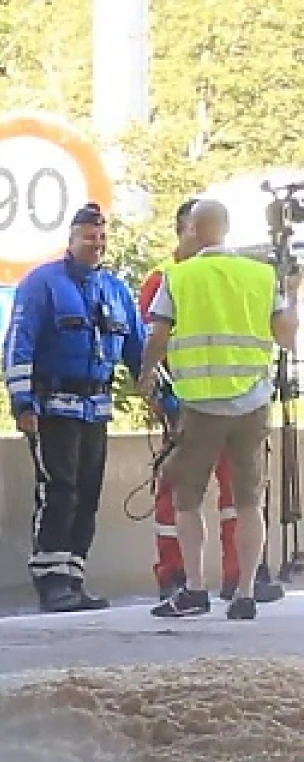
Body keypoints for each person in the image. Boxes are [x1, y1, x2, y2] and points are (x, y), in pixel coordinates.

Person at [141, 199, 300, 620]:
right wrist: (294, 296)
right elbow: (287, 337)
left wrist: (145, 376)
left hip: (199, 406)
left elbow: (157, 337)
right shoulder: (261, 276)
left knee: (187, 498)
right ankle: (245, 593)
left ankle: (194, 588)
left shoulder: (178, 277)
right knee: (249, 501)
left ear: (193, 228)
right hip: (251, 405)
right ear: (227, 229)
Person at [1, 202, 144, 614]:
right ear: (71, 239)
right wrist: (22, 401)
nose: (96, 244)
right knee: (58, 491)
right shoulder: (41, 284)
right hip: (53, 407)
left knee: (87, 495)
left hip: (96, 409)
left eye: (101, 238)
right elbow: (18, 342)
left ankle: (74, 579)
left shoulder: (116, 291)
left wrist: (164, 400)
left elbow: (138, 352)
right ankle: (51, 582)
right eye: (88, 237)